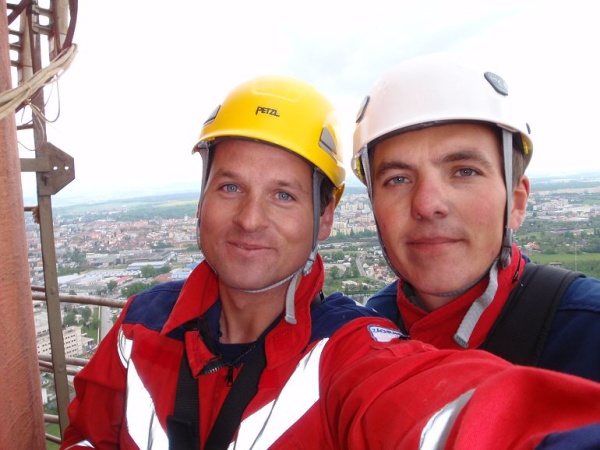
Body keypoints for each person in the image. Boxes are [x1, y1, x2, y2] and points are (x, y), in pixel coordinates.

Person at [61, 75, 600, 450]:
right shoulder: (139, 324)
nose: (250, 219)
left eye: (284, 195)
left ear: (325, 219)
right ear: (201, 200)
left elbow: (435, 408)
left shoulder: (348, 348)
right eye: (229, 187)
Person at [353, 53, 600, 381]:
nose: (427, 204)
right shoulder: (363, 337)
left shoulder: (588, 333)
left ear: (516, 203)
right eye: (397, 179)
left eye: (464, 171)